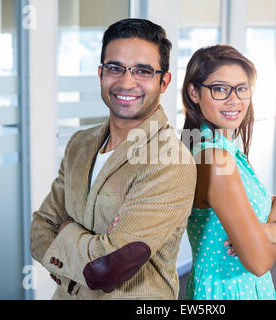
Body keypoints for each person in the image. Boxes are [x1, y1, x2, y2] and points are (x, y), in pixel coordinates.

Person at [29, 18, 197, 300]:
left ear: (164, 81)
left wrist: (67, 229)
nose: (126, 82)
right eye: (115, 68)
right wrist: (95, 245)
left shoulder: (170, 160)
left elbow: (107, 268)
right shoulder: (80, 144)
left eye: (143, 71)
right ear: (100, 73)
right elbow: (39, 229)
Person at [181, 45, 276, 300]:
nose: (235, 100)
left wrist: (272, 227)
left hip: (248, 288)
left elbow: (274, 206)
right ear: (193, 92)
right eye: (220, 89)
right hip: (226, 292)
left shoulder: (229, 152)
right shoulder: (216, 159)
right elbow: (260, 261)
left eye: (242, 88)